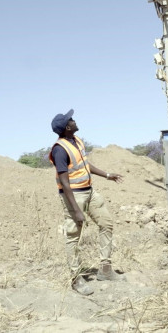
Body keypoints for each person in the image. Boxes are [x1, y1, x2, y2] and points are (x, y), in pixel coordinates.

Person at [49, 109, 124, 296]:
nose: (74, 121)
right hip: (74, 196)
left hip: (89, 192)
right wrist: (75, 210)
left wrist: (107, 175)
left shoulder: (77, 141)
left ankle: (105, 269)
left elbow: (84, 165)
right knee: (74, 236)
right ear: (67, 127)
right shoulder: (59, 150)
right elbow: (64, 181)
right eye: (71, 120)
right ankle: (75, 278)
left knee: (106, 223)